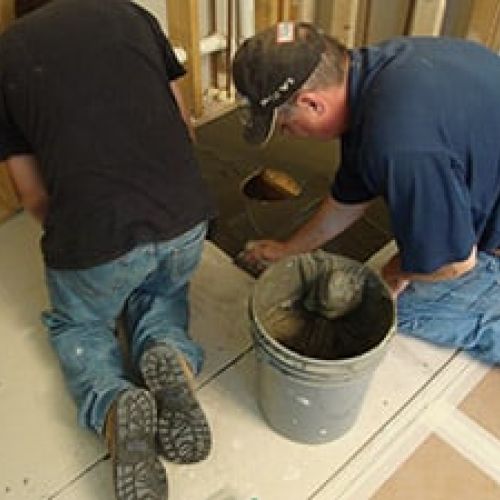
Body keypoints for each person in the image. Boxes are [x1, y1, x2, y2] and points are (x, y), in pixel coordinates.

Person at [0, 0, 217, 498]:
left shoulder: (7, 51)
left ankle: (117, 403)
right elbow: (183, 125)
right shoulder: (132, 14)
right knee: (161, 295)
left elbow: (32, 194)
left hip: (96, 234)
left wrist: (84, 240)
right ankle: (169, 357)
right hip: (186, 216)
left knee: (83, 324)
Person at [232, 21, 500, 365]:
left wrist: (389, 276)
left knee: (405, 310)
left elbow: (453, 262)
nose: (287, 135)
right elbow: (350, 197)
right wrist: (289, 250)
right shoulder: (369, 74)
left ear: (313, 104)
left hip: (479, 228)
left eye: (284, 125)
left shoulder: (399, 142)